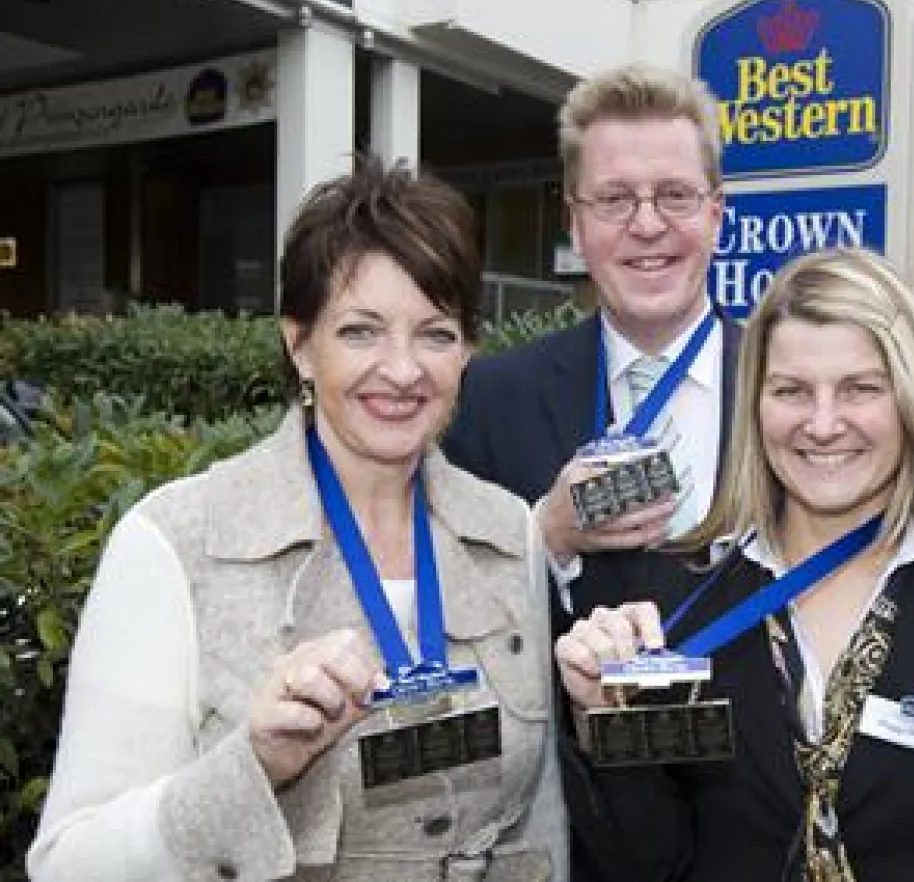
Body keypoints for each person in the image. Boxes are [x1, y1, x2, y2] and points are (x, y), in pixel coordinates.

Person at [27, 156, 568, 882]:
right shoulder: (175, 543)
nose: (403, 371)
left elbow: (542, 820)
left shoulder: (510, 533)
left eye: (435, 334)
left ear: (467, 347)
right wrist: (251, 765)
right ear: (298, 342)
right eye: (360, 331)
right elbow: (70, 863)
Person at [556, 246, 914, 882]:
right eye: (791, 390)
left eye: (861, 389)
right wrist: (604, 718)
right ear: (755, 404)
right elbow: (649, 863)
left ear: (912, 402)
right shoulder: (675, 603)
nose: (823, 425)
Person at [443, 65, 740, 879]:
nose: (647, 225)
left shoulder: (799, 399)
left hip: (762, 830)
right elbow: (441, 620)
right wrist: (543, 534)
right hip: (570, 840)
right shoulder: (489, 399)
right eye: (613, 200)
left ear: (715, 213)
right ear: (575, 219)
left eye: (675, 195)